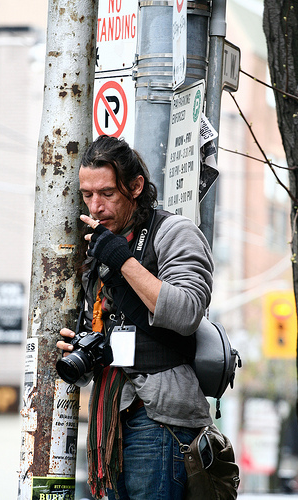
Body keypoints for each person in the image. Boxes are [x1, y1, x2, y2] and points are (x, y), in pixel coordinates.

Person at [57, 135, 214, 500]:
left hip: (158, 417)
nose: (96, 207)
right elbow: (101, 332)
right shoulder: (97, 249)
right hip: (107, 421)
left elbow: (188, 311)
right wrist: (78, 346)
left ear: (135, 186)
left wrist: (122, 260)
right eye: (87, 195)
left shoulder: (173, 232)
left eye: (108, 193)